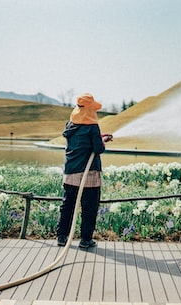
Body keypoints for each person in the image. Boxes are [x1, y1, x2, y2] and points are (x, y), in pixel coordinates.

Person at [56, 93, 112, 248]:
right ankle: (86, 240)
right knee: (89, 207)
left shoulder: (71, 124)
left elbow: (82, 140)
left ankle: (62, 237)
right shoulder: (92, 126)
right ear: (89, 109)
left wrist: (98, 137)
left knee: (68, 205)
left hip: (70, 171)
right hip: (89, 174)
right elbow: (98, 149)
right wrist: (102, 140)